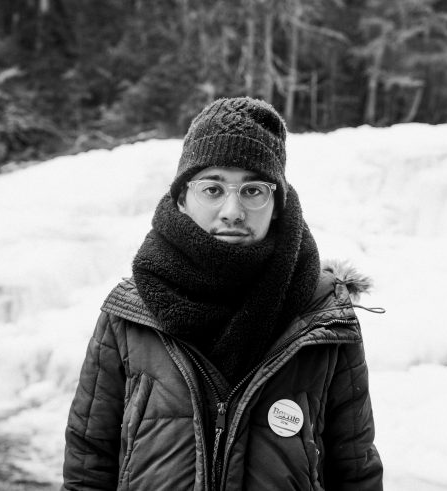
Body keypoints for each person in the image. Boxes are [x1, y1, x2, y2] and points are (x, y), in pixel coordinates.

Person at [62, 97, 383, 490]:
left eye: (253, 190)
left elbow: (355, 470)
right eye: (212, 188)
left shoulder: (324, 317)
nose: (233, 209)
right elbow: (88, 460)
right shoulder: (130, 311)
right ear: (182, 198)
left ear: (279, 203)